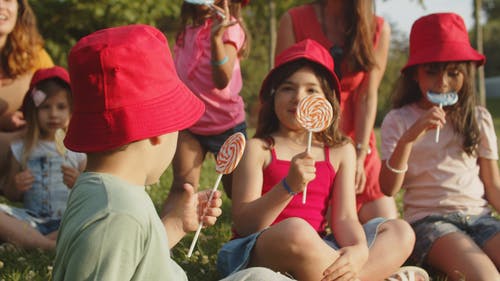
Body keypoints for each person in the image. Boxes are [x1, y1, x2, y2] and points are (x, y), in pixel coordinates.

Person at [52, 24, 294, 281]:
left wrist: (176, 224)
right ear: (156, 133)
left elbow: (136, 258)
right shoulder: (117, 213)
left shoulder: (102, 192)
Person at [218, 39, 425, 281]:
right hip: (259, 250)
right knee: (296, 230)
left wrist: (358, 249)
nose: (299, 97)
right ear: (273, 96)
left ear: (327, 100)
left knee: (400, 230)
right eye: (287, 88)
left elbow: (345, 217)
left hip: (318, 249)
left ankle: (351, 274)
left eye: (311, 90)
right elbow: (245, 225)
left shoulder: (340, 151)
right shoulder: (259, 149)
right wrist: (288, 187)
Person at [380, 13, 500, 280]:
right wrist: (410, 137)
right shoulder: (398, 120)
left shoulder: (478, 117)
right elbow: (388, 187)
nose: (443, 82)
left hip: (480, 217)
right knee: (487, 277)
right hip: (429, 221)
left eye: (453, 72)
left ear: (465, 74)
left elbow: (492, 185)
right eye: (431, 71)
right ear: (414, 74)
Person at [275, 0, 397, 223]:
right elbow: (283, 88)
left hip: (355, 141)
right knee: (313, 224)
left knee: (390, 226)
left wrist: (360, 156)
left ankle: (349, 257)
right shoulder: (293, 20)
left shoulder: (378, 28)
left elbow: (367, 96)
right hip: (306, 140)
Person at [167, 0, 250, 200]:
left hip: (226, 124)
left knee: (237, 192)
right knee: (183, 186)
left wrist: (216, 39)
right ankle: (172, 225)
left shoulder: (229, 28)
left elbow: (222, 80)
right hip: (190, 124)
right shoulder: (187, 29)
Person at [0, 66, 85, 250]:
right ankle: (50, 244)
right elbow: (11, 194)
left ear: (72, 110)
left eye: (61, 107)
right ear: (33, 111)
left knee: (93, 216)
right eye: (46, 107)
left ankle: (34, 242)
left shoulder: (78, 149)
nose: (53, 114)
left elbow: (90, 191)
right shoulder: (21, 149)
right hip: (32, 220)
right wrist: (16, 185)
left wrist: (78, 182)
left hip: (67, 218)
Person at [0, 0, 54, 193]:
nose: (1, 6)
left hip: (28, 142)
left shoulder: (34, 56)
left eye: (7, 0)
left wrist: (32, 114)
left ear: (19, 7)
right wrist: (4, 120)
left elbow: (57, 97)